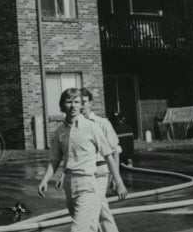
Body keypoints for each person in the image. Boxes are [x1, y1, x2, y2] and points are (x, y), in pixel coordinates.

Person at [38, 88, 128, 232]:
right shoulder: (60, 131)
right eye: (69, 102)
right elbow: (55, 159)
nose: (73, 105)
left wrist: (119, 182)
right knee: (90, 225)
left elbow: (108, 155)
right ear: (62, 105)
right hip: (69, 184)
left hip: (88, 182)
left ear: (81, 104)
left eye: (76, 102)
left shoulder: (92, 127)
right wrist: (45, 180)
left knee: (79, 228)